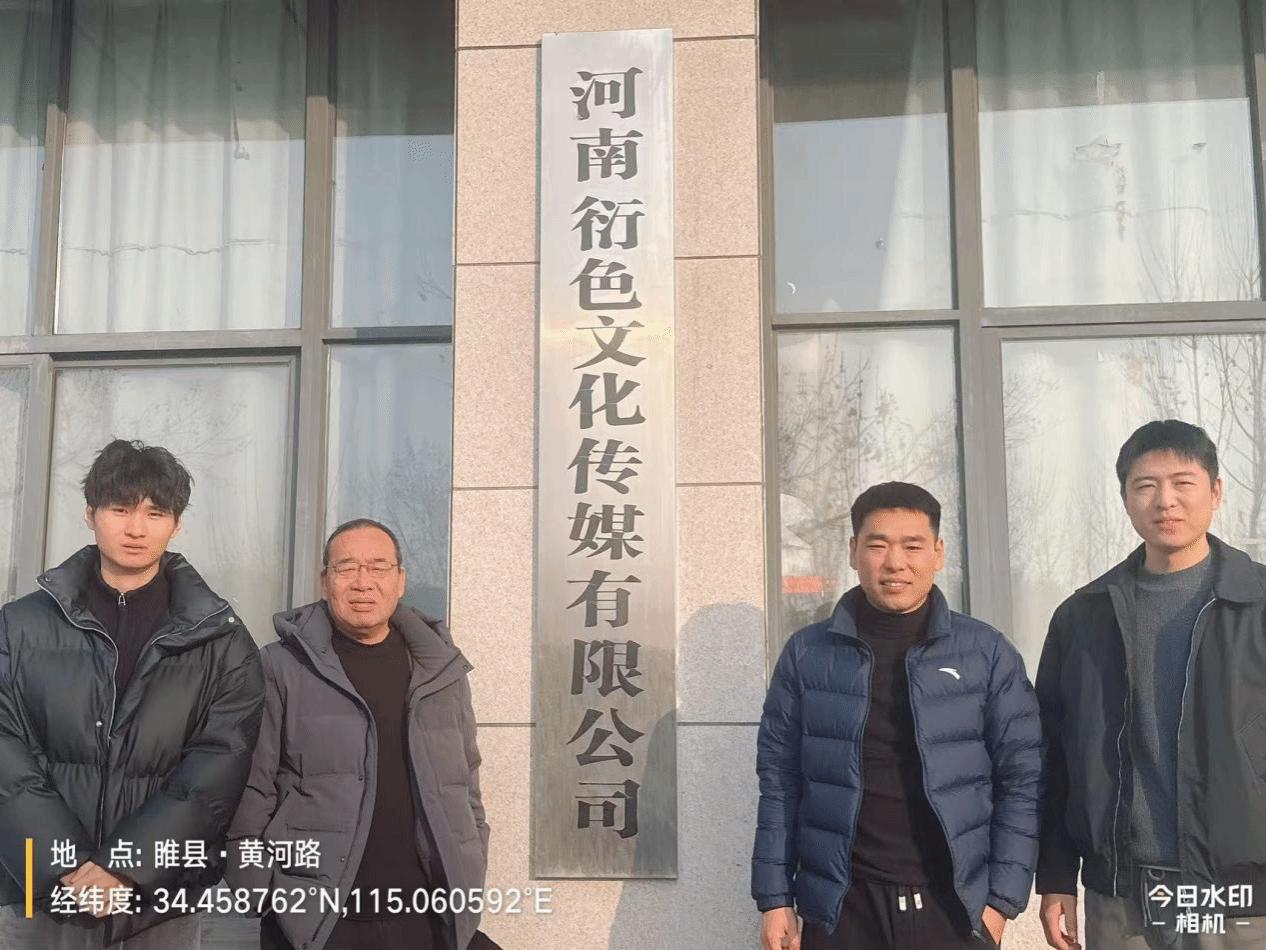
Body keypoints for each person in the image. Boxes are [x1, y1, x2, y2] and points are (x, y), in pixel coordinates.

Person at [752, 482, 1042, 950]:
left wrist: (1001, 902)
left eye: (912, 546)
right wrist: (774, 897)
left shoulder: (985, 653)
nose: (895, 562)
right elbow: (780, 779)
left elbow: (1023, 779)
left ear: (938, 553)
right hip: (842, 907)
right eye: (878, 545)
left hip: (954, 907)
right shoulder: (808, 653)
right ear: (853, 551)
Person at [0, 438, 264, 949]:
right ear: (90, 514)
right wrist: (65, 865)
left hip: (157, 904)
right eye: (120, 509)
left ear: (177, 524)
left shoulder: (221, 640)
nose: (137, 529)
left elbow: (216, 768)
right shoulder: (19, 625)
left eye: (155, 513)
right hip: (43, 894)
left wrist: (125, 868)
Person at [1037, 420, 1266, 950]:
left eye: (1183, 483)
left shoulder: (1257, 605)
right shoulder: (1083, 617)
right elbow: (1054, 757)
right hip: (1125, 894)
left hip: (1239, 894)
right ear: (1125, 499)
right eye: (1145, 485)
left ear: (1215, 492)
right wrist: (1056, 876)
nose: (1165, 500)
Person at [227, 518, 488, 950]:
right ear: (325, 581)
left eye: (378, 567)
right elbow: (249, 788)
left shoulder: (440, 670)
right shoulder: (282, 666)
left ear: (400, 580)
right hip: (318, 921)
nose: (363, 582)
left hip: (425, 917)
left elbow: (467, 782)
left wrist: (470, 870)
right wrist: (259, 893)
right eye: (346, 568)